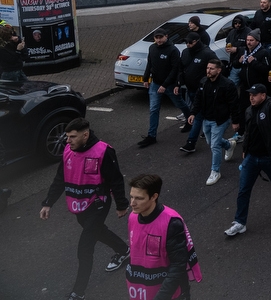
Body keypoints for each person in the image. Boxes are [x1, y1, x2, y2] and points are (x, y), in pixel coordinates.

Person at [40, 118, 130, 300]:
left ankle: (77, 292)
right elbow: (60, 178)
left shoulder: (104, 151)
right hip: (78, 205)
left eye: (72, 136)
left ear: (85, 135)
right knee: (98, 232)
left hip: (97, 204)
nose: (68, 141)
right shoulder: (68, 150)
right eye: (67, 136)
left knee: (85, 247)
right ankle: (123, 250)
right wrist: (48, 203)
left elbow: (115, 179)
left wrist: (121, 205)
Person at [224, 84, 271, 237]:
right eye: (250, 95)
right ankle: (239, 222)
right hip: (251, 157)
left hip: (269, 155)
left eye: (255, 95)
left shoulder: (270, 107)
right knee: (243, 190)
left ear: (263, 95)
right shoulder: (249, 110)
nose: (251, 98)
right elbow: (248, 132)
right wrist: (244, 150)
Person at [126, 173, 202, 299]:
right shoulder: (133, 217)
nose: (132, 203)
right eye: (131, 197)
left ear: (154, 196)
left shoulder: (172, 223)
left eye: (139, 198)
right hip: (141, 290)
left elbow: (178, 266)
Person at [182, 59, 241, 186]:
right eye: (208, 68)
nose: (208, 71)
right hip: (206, 118)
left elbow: (234, 105)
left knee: (214, 146)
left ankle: (215, 171)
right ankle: (229, 145)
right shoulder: (204, 82)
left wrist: (235, 121)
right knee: (211, 142)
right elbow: (198, 98)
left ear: (219, 70)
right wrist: (193, 113)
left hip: (220, 120)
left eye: (212, 68)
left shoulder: (227, 85)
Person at [139, 29, 192, 148]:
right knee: (153, 109)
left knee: (179, 103)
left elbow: (175, 70)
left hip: (169, 85)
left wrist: (165, 85)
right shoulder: (152, 48)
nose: (158, 40)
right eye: (156, 38)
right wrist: (145, 78)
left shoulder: (173, 50)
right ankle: (151, 136)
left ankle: (189, 119)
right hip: (155, 83)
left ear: (166, 36)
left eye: (160, 37)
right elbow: (150, 63)